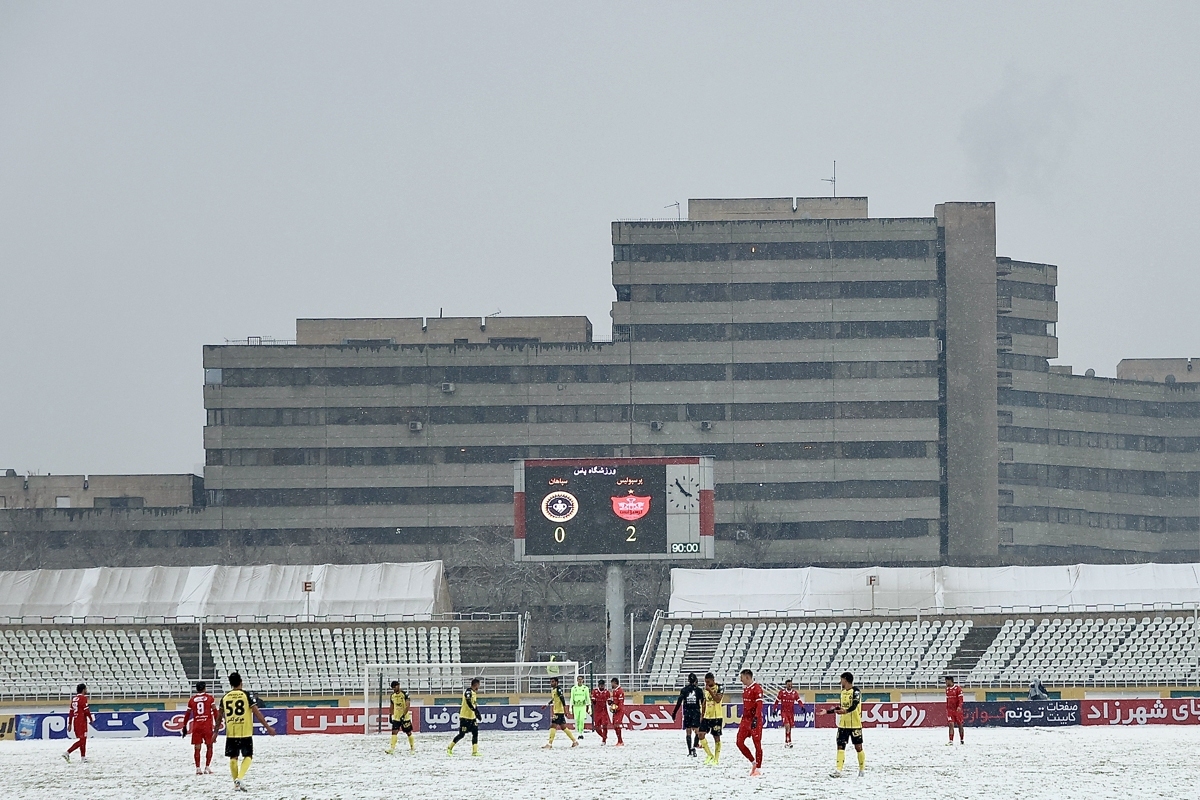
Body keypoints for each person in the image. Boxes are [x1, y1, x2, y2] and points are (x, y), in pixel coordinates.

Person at [219, 671, 276, 792]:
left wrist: (214, 733)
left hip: (231, 732)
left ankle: (236, 784)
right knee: (248, 756)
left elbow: (219, 717)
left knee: (233, 757)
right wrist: (268, 727)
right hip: (245, 731)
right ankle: (239, 778)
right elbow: (257, 713)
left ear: (230, 684)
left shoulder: (225, 697)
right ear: (241, 682)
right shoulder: (246, 695)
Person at [824, 671, 864, 778]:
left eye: (841, 680)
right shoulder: (842, 693)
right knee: (840, 746)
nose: (840, 682)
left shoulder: (856, 691)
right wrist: (828, 712)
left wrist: (845, 711)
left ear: (845, 679)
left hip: (855, 724)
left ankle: (861, 769)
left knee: (858, 747)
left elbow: (854, 705)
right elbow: (840, 707)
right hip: (843, 725)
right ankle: (838, 770)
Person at [183, 681, 218, 774]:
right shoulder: (210, 698)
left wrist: (184, 725)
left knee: (197, 747)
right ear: (205, 688)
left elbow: (187, 714)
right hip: (207, 726)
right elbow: (215, 711)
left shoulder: (192, 699)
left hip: (197, 726)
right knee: (209, 746)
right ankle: (207, 767)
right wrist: (218, 724)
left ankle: (198, 768)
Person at [736, 669, 764, 777]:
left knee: (757, 744)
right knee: (739, 742)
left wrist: (756, 719)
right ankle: (753, 762)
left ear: (747, 677)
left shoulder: (757, 689)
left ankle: (759, 768)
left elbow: (759, 705)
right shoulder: (746, 690)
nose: (740, 679)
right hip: (745, 720)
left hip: (754, 719)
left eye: (741, 677)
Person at [671, 672, 705, 757]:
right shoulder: (699, 690)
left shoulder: (684, 690)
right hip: (696, 712)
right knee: (697, 731)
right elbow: (703, 703)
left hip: (687, 712)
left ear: (688, 680)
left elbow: (679, 702)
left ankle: (690, 750)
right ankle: (694, 746)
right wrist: (704, 713)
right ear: (696, 680)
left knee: (688, 732)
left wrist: (674, 713)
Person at [447, 678, 481, 756]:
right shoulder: (468, 692)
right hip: (465, 717)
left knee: (475, 733)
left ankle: (475, 752)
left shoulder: (474, 693)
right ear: (476, 685)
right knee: (461, 734)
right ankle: (449, 747)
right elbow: (469, 702)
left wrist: (477, 713)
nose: (479, 687)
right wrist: (474, 710)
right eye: (478, 685)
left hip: (472, 718)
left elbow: (474, 704)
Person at [543, 676, 579, 748]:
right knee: (563, 727)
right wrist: (547, 704)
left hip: (559, 711)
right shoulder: (554, 690)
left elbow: (562, 700)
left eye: (552, 682)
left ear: (556, 682)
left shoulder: (558, 690)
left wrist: (565, 710)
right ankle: (575, 741)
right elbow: (554, 699)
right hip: (558, 711)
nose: (551, 683)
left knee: (553, 726)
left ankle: (550, 744)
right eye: (551, 682)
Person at [696, 672, 724, 766]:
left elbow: (717, 699)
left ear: (713, 680)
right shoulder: (705, 690)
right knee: (700, 735)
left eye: (708, 681)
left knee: (716, 737)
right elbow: (704, 702)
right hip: (707, 716)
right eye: (705, 682)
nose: (706, 684)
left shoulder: (720, 687)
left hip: (716, 716)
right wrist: (702, 715)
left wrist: (710, 690)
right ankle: (709, 755)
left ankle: (716, 759)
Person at [63, 683, 93, 763]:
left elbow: (71, 712)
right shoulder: (83, 698)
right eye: (86, 689)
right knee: (82, 740)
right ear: (83, 690)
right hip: (82, 721)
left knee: (83, 739)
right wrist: (91, 718)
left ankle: (83, 758)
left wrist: (69, 724)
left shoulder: (74, 699)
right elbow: (86, 710)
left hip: (76, 721)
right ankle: (67, 752)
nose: (86, 691)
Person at [385, 680, 415, 754]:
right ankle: (392, 749)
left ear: (398, 686)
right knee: (394, 732)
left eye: (394, 687)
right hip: (396, 717)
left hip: (405, 717)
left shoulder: (405, 694)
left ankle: (412, 748)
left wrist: (403, 715)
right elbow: (392, 706)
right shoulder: (392, 696)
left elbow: (408, 706)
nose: (394, 689)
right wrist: (390, 715)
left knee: (408, 732)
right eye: (392, 688)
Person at [773, 679, 803, 748]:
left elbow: (798, 700)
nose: (790, 685)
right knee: (787, 725)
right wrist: (774, 709)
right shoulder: (782, 692)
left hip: (791, 713)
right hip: (784, 712)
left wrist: (802, 706)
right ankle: (788, 741)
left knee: (789, 728)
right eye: (788, 684)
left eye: (791, 684)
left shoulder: (794, 693)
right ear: (786, 685)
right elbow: (776, 701)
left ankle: (788, 741)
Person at [945, 675, 964, 745]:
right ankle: (951, 740)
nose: (946, 683)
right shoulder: (947, 689)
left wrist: (959, 707)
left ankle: (962, 739)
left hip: (957, 710)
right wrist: (947, 708)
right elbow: (947, 700)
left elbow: (960, 699)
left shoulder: (958, 689)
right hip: (950, 711)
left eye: (946, 681)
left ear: (950, 681)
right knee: (950, 724)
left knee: (960, 725)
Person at [570, 675, 591, 740]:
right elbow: (572, 698)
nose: (580, 680)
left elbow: (587, 698)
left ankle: (580, 733)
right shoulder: (574, 688)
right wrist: (570, 707)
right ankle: (579, 732)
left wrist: (589, 707)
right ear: (577, 680)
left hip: (582, 706)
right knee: (577, 720)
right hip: (576, 706)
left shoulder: (585, 688)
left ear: (583, 680)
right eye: (579, 679)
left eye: (581, 679)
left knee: (582, 719)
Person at [591, 680, 610, 744]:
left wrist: (610, 702)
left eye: (602, 685)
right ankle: (604, 736)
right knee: (597, 727)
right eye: (600, 685)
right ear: (598, 685)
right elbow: (593, 702)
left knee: (604, 725)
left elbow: (609, 702)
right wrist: (593, 700)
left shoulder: (606, 692)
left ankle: (604, 740)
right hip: (597, 712)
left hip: (604, 711)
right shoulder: (594, 691)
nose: (601, 686)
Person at [608, 677, 625, 746]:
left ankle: (620, 741)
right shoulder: (614, 691)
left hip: (619, 710)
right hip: (616, 711)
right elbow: (615, 701)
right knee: (614, 725)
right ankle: (619, 740)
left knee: (617, 725)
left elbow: (620, 703)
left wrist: (616, 708)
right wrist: (611, 703)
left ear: (615, 683)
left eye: (612, 683)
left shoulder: (620, 691)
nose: (611, 685)